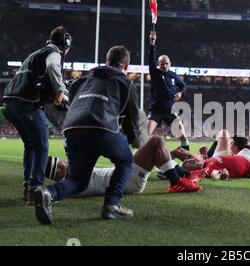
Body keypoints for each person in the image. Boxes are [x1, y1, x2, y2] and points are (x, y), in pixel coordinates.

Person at [33, 46, 141, 225]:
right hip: (102, 128)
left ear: (107, 61)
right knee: (125, 160)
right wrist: (127, 143)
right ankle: (112, 205)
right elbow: (133, 125)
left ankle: (48, 193)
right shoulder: (126, 83)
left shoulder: (81, 80)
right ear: (126, 65)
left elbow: (74, 103)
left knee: (78, 180)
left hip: (73, 129)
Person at [2, 26, 71, 203]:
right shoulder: (54, 53)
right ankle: (35, 189)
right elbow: (53, 66)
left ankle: (28, 188)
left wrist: (52, 96)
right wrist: (60, 90)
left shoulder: (35, 54)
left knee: (30, 146)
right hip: (25, 105)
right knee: (41, 146)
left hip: (10, 102)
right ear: (66, 42)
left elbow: (36, 82)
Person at [43, 136, 202, 197]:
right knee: (156, 142)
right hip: (126, 180)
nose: (64, 162)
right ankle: (176, 182)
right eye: (60, 163)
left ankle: (181, 175)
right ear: (58, 169)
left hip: (125, 178)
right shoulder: (71, 180)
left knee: (156, 146)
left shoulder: (72, 179)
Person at [147, 31, 190, 150]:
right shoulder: (155, 73)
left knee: (183, 137)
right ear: (158, 65)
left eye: (166, 64)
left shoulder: (174, 75)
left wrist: (180, 93)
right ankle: (139, 162)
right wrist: (152, 42)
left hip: (170, 111)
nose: (164, 66)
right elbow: (151, 58)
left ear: (170, 64)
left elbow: (183, 86)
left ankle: (187, 160)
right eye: (161, 64)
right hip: (156, 111)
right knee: (145, 136)